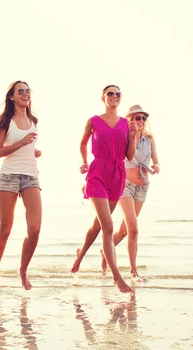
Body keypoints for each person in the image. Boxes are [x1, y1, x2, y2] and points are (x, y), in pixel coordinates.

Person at [72, 85, 137, 293]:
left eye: (118, 94)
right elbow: (82, 144)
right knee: (108, 226)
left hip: (117, 175)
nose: (115, 97)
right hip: (98, 172)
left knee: (99, 225)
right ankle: (117, 277)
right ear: (103, 98)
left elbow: (130, 156)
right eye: (111, 93)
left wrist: (134, 137)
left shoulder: (126, 124)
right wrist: (83, 161)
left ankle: (80, 255)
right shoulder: (93, 121)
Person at [0, 80, 42, 291]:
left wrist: (32, 150)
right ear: (12, 97)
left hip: (31, 177)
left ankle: (23, 270)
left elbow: (27, 145)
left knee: (35, 228)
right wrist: (21, 144)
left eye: (27, 91)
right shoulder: (5, 120)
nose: (25, 94)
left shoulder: (33, 119)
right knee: (5, 229)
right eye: (20, 91)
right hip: (9, 177)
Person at [101, 105, 160, 278]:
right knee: (133, 228)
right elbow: (113, 159)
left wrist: (156, 165)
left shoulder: (149, 139)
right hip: (124, 185)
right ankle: (133, 271)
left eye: (142, 118)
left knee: (125, 230)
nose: (140, 121)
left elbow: (155, 158)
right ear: (129, 120)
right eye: (136, 118)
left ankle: (105, 251)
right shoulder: (122, 137)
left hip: (143, 187)